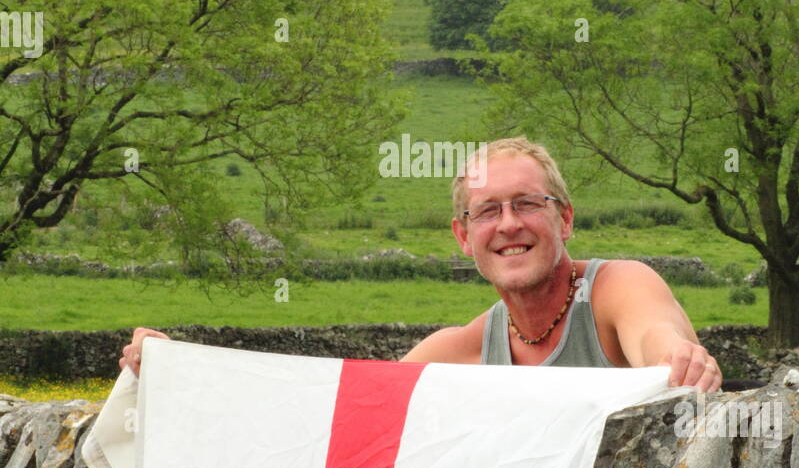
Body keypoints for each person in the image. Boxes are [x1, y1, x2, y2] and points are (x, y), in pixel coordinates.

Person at [118, 136, 721, 393]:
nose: (508, 224)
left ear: (564, 220)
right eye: (488, 212)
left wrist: (675, 357)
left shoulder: (618, 288)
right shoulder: (459, 350)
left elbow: (655, 335)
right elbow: (343, 404)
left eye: (526, 204)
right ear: (464, 237)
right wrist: (182, 372)